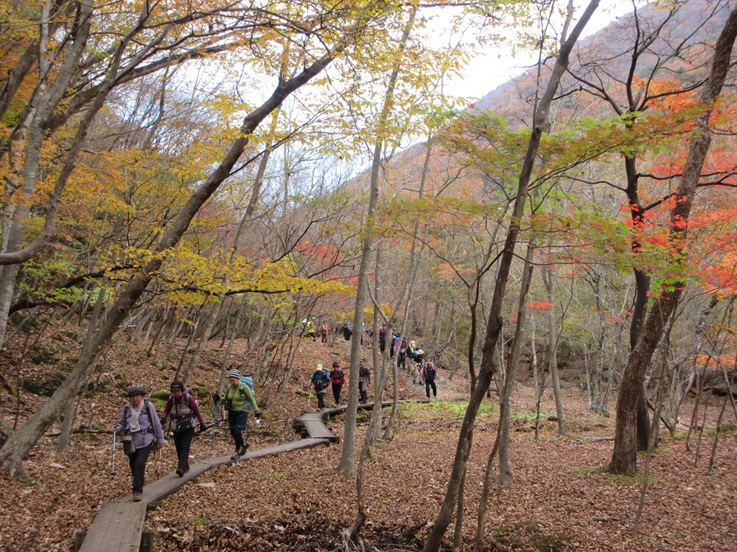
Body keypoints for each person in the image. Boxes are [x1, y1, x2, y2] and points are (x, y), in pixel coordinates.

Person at [113, 385, 166, 502]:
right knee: (133, 465)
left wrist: (160, 439)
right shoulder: (127, 408)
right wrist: (118, 428)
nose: (135, 398)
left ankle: (137, 490)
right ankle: (139, 480)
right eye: (132, 396)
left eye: (137, 396)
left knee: (139, 464)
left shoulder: (148, 406)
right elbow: (122, 423)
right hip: (131, 441)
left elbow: (156, 422)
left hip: (146, 439)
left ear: (141, 396)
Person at [160, 380, 207, 477]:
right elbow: (166, 410)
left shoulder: (188, 398)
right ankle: (185, 466)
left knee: (185, 446)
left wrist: (202, 423)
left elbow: (196, 411)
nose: (176, 393)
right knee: (178, 447)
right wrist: (163, 417)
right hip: (176, 427)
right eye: (174, 391)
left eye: (178, 391)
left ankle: (181, 467)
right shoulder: (171, 399)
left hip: (188, 426)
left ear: (182, 390)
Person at [213, 370, 260, 460]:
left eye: (233, 380)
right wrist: (219, 398)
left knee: (237, 431)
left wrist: (257, 411)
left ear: (238, 379)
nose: (231, 382)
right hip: (232, 411)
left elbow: (251, 399)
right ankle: (244, 444)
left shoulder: (244, 387)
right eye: (230, 380)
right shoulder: (229, 387)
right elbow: (226, 399)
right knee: (232, 432)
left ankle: (237, 452)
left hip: (242, 411)